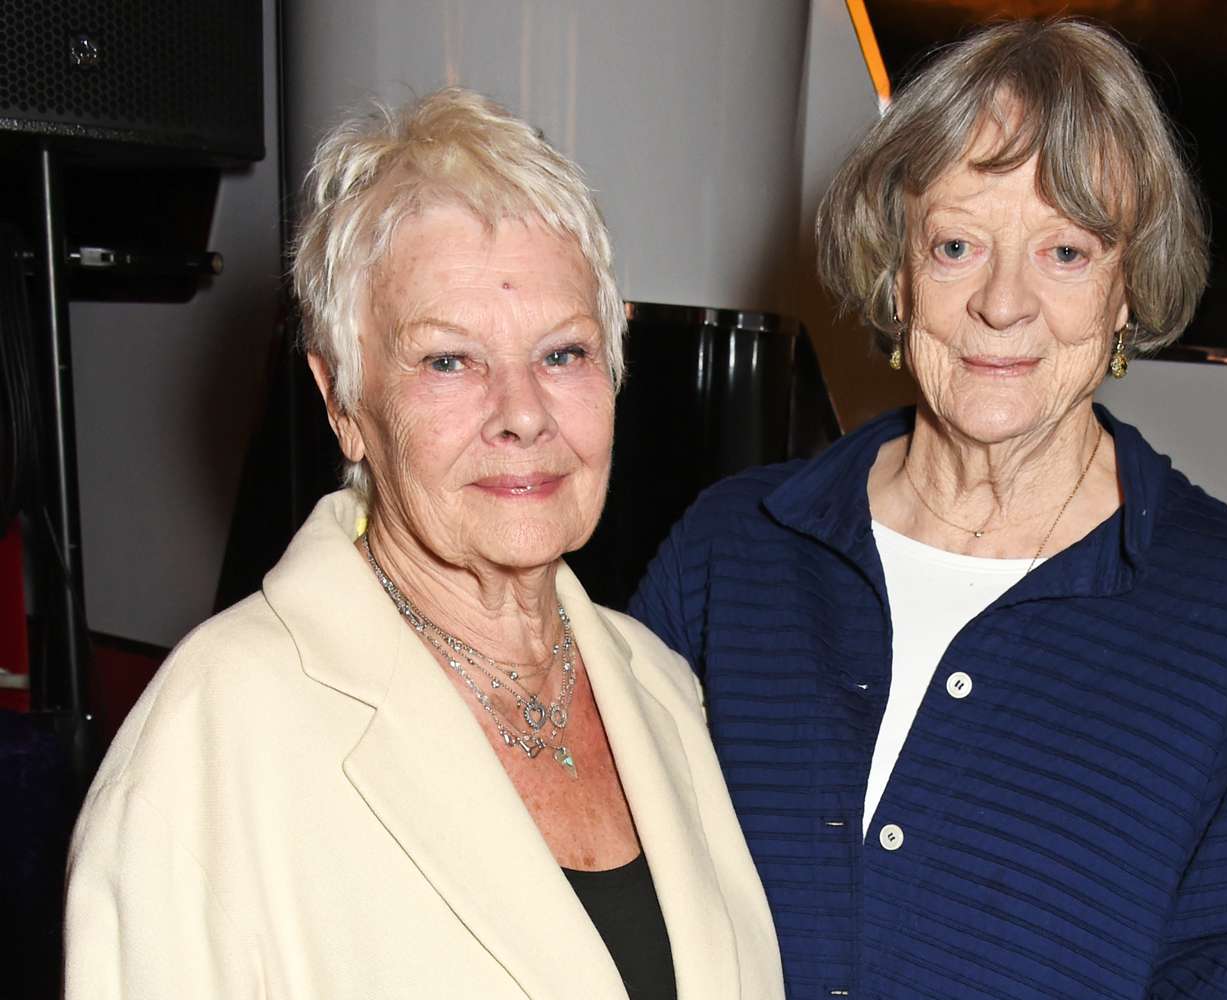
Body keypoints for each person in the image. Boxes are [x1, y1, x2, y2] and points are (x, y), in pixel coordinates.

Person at [631, 19, 1227, 1000]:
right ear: (898, 271)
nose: (1005, 303)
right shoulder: (734, 548)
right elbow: (590, 894)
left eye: (1067, 253)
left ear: (1127, 291)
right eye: (956, 244)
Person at [64, 87, 782, 1000]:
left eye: (563, 353)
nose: (522, 414)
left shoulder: (661, 688)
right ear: (342, 402)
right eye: (449, 360)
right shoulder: (212, 733)